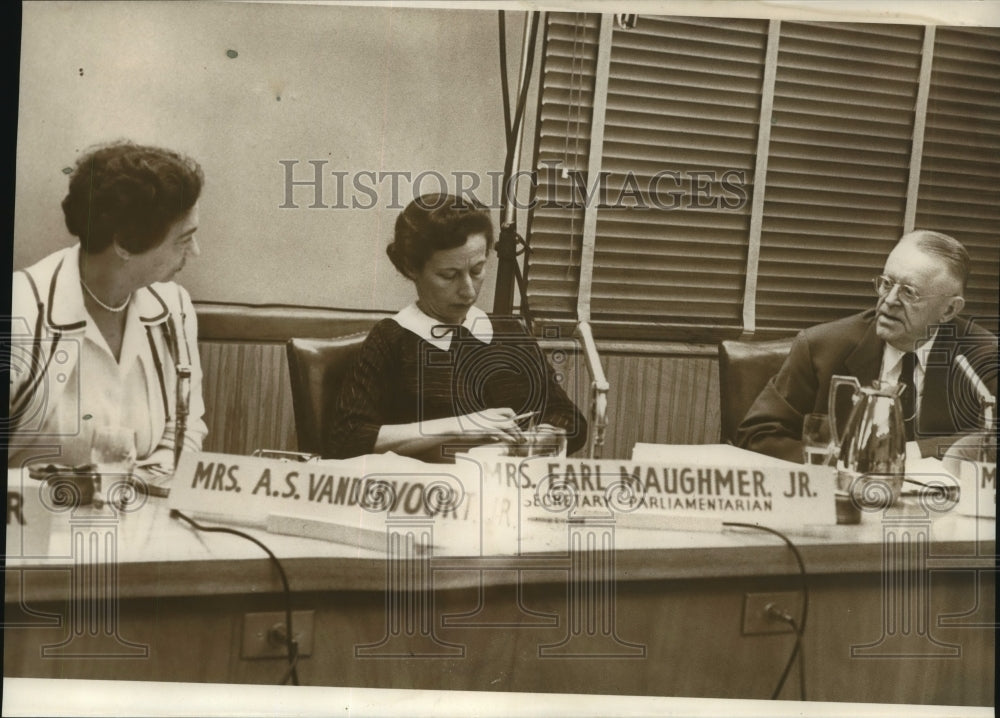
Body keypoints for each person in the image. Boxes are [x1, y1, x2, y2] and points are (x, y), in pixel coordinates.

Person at [324, 193, 586, 462]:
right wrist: (461, 424)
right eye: (448, 275)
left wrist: (549, 435)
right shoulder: (391, 340)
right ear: (411, 268)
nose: (468, 291)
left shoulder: (511, 333)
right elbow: (347, 439)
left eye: (477, 270)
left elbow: (568, 417)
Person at [7, 141, 207, 470]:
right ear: (125, 244)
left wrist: (139, 493)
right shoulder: (19, 313)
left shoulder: (174, 309)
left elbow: (183, 432)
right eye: (184, 239)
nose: (195, 252)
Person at [737, 230, 997, 463]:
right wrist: (844, 464)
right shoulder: (820, 347)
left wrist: (909, 452)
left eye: (909, 292)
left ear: (949, 309)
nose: (889, 300)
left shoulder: (983, 355)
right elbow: (757, 435)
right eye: (886, 283)